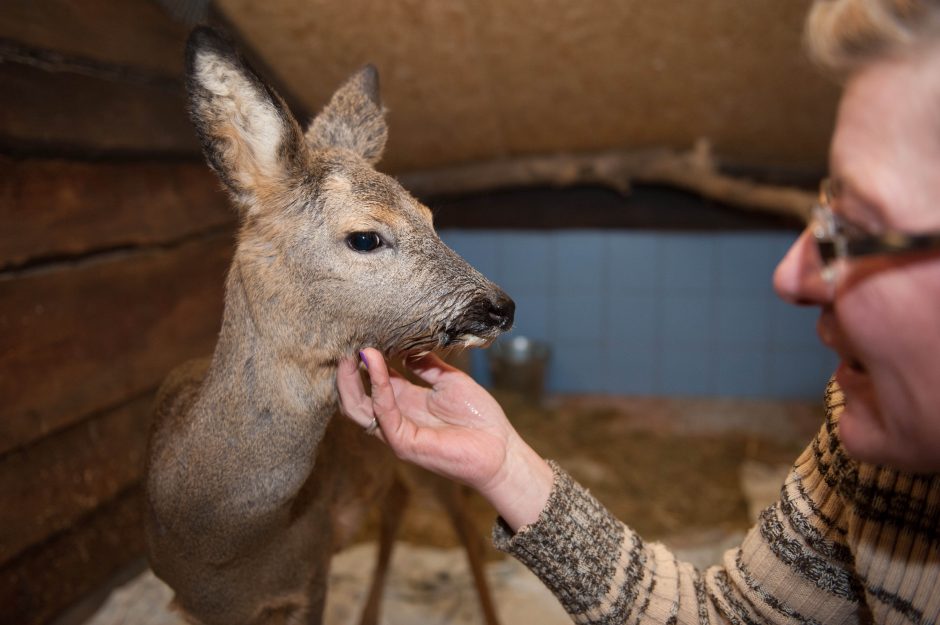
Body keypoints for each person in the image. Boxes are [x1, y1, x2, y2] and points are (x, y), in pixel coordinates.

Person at [337, 0, 940, 622]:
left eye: (860, 228)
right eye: (822, 212)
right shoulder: (870, 453)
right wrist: (505, 465)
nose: (790, 275)